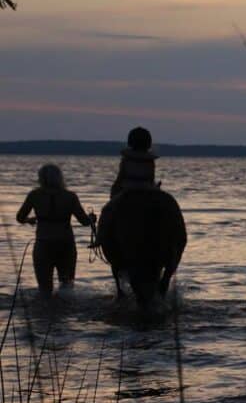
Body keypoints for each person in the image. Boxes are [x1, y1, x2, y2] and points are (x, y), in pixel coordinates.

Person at [16, 164, 96, 297]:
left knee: (44, 289)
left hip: (43, 244)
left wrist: (29, 220)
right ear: (60, 178)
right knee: (67, 287)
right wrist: (92, 218)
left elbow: (20, 217)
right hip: (65, 244)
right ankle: (64, 314)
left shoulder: (34, 195)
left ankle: (45, 316)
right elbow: (84, 221)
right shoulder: (70, 196)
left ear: (41, 178)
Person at [110, 126, 158, 198]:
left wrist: (113, 192)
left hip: (126, 191)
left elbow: (120, 179)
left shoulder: (126, 159)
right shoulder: (150, 160)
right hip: (147, 191)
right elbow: (151, 180)